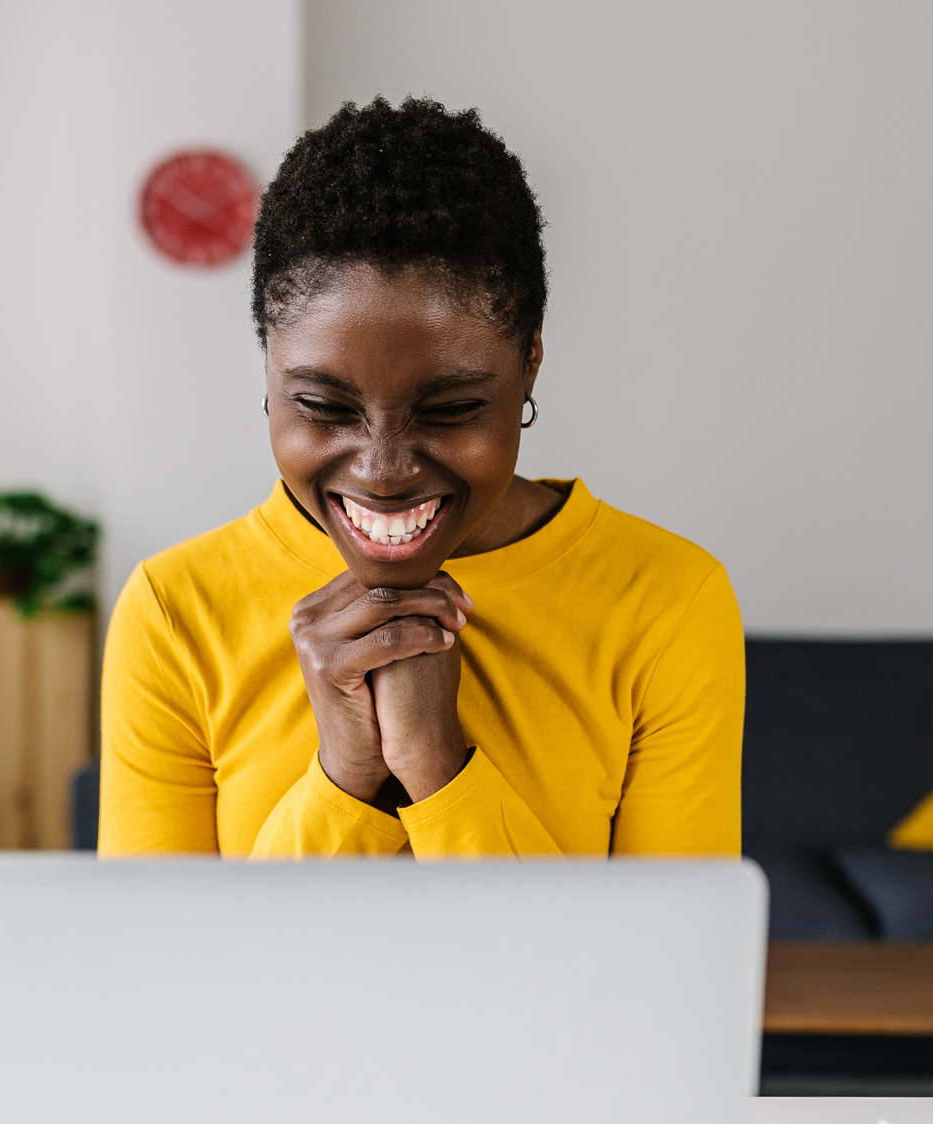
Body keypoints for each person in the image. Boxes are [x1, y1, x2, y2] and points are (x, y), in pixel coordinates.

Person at [99, 97, 742, 858]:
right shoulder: (177, 612)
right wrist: (346, 774)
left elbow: (657, 966)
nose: (383, 470)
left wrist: (436, 765)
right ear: (268, 370)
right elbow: (168, 965)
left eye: (451, 408)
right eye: (323, 406)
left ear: (528, 362)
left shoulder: (667, 602)